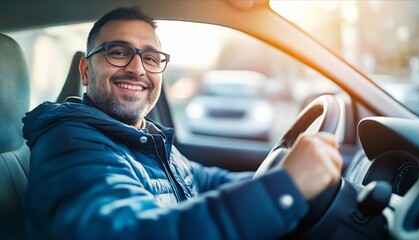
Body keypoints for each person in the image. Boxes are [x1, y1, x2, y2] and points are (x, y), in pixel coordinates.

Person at [22, 6, 342, 240]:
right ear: (85, 71)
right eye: (117, 52)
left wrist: (287, 172)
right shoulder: (71, 144)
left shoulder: (143, 137)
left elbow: (203, 181)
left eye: (150, 58)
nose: (137, 69)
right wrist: (283, 189)